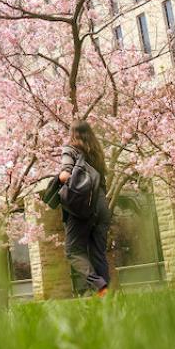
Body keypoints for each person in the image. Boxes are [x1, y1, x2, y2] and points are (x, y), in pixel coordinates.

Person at [58, 120, 111, 297]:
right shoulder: (97, 152)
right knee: (98, 252)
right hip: (102, 203)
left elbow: (66, 175)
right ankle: (104, 296)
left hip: (83, 205)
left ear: (73, 133)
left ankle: (98, 285)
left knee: (73, 250)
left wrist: (58, 178)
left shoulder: (70, 150)